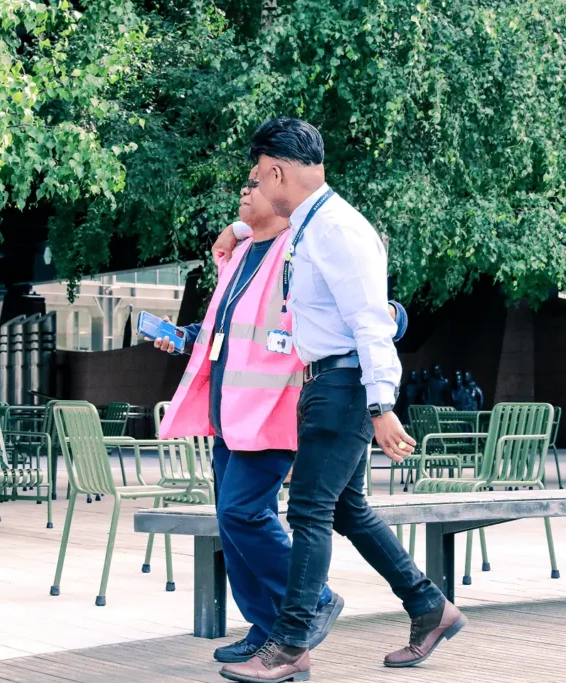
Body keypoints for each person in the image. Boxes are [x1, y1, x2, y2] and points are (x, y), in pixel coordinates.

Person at [213, 118, 465, 682]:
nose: (257, 186)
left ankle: (289, 646)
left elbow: (371, 322)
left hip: (344, 385)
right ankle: (430, 607)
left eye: (259, 176)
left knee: (308, 510)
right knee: (348, 510)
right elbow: (264, 226)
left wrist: (381, 406)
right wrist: (236, 227)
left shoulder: (338, 230)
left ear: (277, 172)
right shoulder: (311, 223)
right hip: (326, 382)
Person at [155, 174, 408, 664]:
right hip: (229, 412)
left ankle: (311, 604)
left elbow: (367, 308)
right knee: (233, 523)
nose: (245, 192)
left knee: (244, 513)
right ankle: (267, 627)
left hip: (274, 410)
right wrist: (185, 337)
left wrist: (392, 320)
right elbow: (230, 328)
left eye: (254, 185)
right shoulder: (241, 255)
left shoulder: (300, 247)